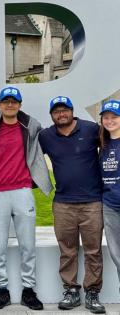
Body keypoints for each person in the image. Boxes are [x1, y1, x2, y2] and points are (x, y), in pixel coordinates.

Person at [0, 87, 52, 311]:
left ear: (19, 105)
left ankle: (29, 289)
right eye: (5, 101)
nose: (10, 105)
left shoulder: (31, 127)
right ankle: (2, 290)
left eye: (14, 101)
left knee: (28, 245)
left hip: (22, 191)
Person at [39, 96, 105, 314]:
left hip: (92, 202)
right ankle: (71, 291)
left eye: (64, 110)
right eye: (56, 111)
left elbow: (112, 144)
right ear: (52, 115)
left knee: (93, 250)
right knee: (67, 250)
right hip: (63, 203)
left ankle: (93, 292)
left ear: (72, 111)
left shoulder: (91, 129)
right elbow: (31, 157)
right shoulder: (46, 136)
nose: (61, 114)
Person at [100, 100, 120, 300]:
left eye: (114, 116)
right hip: (110, 205)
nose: (110, 120)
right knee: (117, 255)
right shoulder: (103, 144)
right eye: (106, 117)